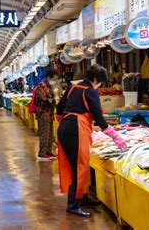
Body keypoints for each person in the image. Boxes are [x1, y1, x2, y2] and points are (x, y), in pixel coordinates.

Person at [56, 64, 127, 217]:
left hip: (65, 128)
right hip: (76, 128)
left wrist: (66, 121)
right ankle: (73, 205)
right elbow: (98, 117)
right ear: (95, 79)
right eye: (100, 82)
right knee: (79, 166)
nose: (99, 85)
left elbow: (59, 108)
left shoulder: (73, 88)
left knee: (78, 165)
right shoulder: (90, 91)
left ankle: (83, 196)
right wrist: (114, 135)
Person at [34, 69, 60, 161]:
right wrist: (54, 100)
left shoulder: (49, 87)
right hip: (43, 114)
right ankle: (41, 153)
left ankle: (48, 151)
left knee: (50, 133)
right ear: (50, 77)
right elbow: (42, 100)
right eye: (55, 78)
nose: (56, 80)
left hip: (49, 113)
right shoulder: (41, 87)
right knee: (44, 133)